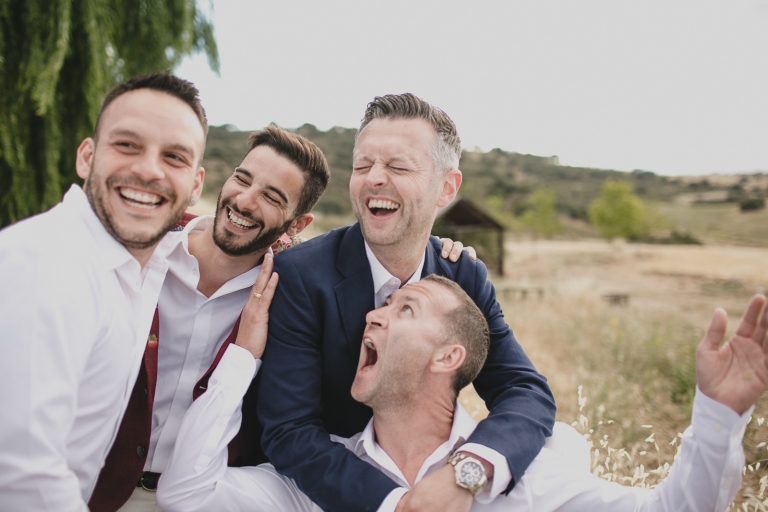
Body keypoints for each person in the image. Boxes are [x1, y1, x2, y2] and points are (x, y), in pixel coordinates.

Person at [157, 276, 765, 512]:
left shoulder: (529, 474)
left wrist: (718, 415)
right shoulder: (311, 484)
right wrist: (244, 354)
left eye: (405, 308)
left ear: (448, 357)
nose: (372, 315)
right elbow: (185, 496)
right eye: (383, 304)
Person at [256, 93, 556, 512]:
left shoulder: (464, 276)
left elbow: (523, 389)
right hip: (322, 495)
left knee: (564, 451)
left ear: (446, 188)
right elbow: (289, 430)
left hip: (439, 476)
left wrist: (465, 473)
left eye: (398, 167)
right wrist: (397, 504)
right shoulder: (302, 276)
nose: (374, 179)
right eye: (363, 166)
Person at [88, 125, 329, 512]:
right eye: (242, 179)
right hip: (89, 487)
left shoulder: (288, 301)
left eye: (271, 197)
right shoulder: (140, 247)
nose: (245, 201)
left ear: (297, 224)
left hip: (204, 499)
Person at [0, 71, 207, 512]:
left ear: (196, 185)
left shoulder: (136, 269)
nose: (148, 169)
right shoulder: (47, 262)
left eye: (174, 156)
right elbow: (22, 475)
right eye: (127, 144)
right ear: (86, 156)